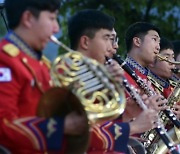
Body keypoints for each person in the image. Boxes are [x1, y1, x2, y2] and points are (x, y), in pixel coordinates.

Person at [0, 0, 87, 153]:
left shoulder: (40, 62)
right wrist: (62, 126)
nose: (56, 28)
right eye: (52, 19)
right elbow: (3, 124)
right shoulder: (5, 60)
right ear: (28, 18)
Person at [68, 9, 159, 154]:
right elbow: (79, 132)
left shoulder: (95, 74)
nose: (114, 46)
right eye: (107, 39)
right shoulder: (69, 75)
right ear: (85, 42)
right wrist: (133, 127)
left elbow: (102, 124)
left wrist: (129, 114)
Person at [148, 37, 180, 119]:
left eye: (172, 57)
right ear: (151, 61)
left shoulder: (174, 86)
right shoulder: (146, 83)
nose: (172, 62)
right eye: (166, 57)